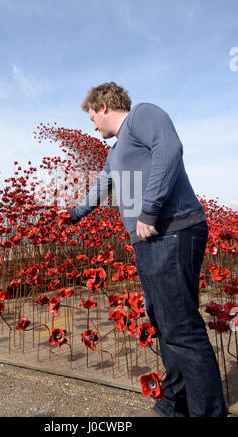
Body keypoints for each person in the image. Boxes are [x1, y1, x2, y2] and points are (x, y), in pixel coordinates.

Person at [66, 81, 227, 418]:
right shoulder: (115, 152)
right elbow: (103, 186)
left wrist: (150, 208)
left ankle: (209, 413)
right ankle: (176, 403)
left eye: (92, 115)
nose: (92, 124)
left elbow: (169, 148)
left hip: (172, 229)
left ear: (104, 106)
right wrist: (74, 214)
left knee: (181, 325)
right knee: (164, 322)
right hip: (150, 241)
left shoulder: (142, 114)